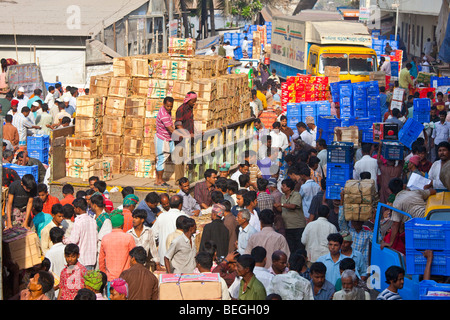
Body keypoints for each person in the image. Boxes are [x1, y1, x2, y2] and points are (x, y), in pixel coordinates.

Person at [99, 210, 136, 282]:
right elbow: (133, 258)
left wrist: (104, 275)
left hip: (110, 278)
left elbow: (101, 260)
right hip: (126, 278)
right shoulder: (129, 238)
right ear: (123, 224)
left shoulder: (105, 238)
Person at [152, 195, 189, 264]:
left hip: (164, 259)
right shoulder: (185, 217)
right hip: (180, 260)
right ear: (180, 205)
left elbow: (153, 235)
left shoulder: (161, 217)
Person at [63, 198, 98, 270]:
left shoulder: (78, 222)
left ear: (78, 209)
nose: (74, 210)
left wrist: (64, 240)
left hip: (82, 260)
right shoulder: (93, 221)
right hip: (92, 259)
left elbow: (73, 240)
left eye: (74, 208)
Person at [274, 179, 306, 255]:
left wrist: (281, 204)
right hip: (287, 226)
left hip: (298, 226)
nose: (281, 187)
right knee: (291, 247)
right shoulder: (283, 197)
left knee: (299, 248)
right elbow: (281, 210)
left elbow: (293, 206)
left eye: (283, 186)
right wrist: (275, 205)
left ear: (289, 188)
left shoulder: (296, 195)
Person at [155, 97, 175, 186]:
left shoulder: (165, 110)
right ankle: (159, 181)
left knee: (167, 156)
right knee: (161, 159)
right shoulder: (164, 115)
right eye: (167, 106)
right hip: (162, 139)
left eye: (171, 106)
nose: (169, 108)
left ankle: (158, 179)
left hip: (167, 138)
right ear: (164, 104)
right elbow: (170, 129)